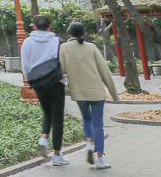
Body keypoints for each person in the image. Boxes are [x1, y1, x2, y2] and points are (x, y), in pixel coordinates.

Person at [60, 22, 119, 169]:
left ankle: (88, 143)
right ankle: (100, 160)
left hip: (79, 92)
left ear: (69, 33)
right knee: (98, 124)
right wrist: (114, 94)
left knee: (86, 119)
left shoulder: (64, 48)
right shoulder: (92, 47)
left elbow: (62, 68)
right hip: (96, 91)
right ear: (84, 33)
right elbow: (104, 71)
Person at [21, 14, 69, 166]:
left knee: (47, 111)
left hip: (38, 83)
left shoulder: (27, 42)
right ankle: (56, 155)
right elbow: (63, 63)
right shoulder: (57, 41)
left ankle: (43, 137)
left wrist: (31, 79)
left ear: (34, 26)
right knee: (58, 118)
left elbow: (26, 65)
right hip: (55, 82)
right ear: (49, 26)